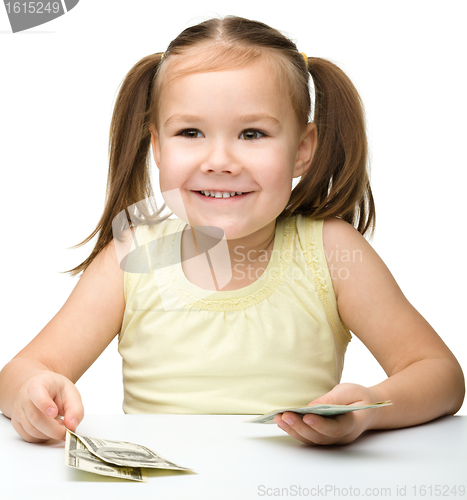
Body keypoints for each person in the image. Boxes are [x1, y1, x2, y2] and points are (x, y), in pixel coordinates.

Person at [0, 15, 464, 447]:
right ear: (157, 146)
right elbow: (20, 372)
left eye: (252, 134)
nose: (219, 161)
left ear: (302, 150)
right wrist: (32, 392)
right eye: (190, 133)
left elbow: (439, 374)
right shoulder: (132, 255)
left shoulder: (330, 250)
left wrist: (368, 410)